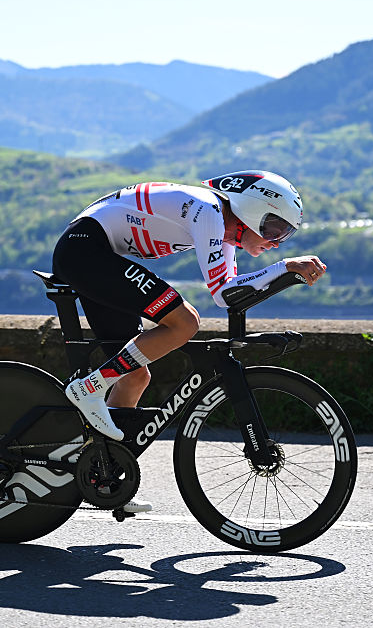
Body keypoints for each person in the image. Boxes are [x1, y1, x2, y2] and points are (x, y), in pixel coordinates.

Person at [51, 170, 326, 512]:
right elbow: (224, 291)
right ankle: (91, 387)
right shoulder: (208, 211)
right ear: (251, 210)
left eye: (285, 235)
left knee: (136, 375)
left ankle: (106, 476)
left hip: (93, 253)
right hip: (86, 249)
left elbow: (229, 296)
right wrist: (284, 266)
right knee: (185, 322)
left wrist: (284, 274)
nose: (275, 241)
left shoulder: (223, 230)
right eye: (274, 229)